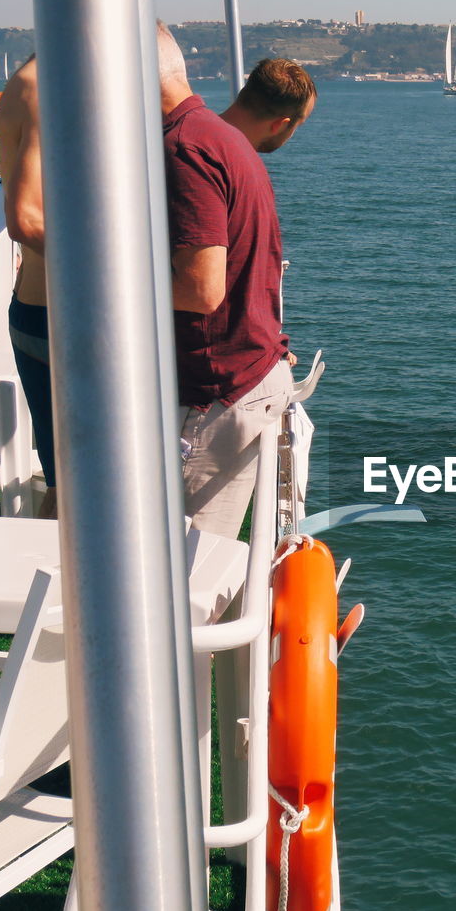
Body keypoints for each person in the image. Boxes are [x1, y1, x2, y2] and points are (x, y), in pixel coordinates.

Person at [159, 28, 316, 538]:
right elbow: (250, 272)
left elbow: (203, 289)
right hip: (247, 376)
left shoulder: (189, 146)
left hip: (216, 391)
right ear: (282, 123)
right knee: (203, 567)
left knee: (184, 567)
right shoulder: (232, 149)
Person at [0, 56, 59, 517]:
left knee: (71, 482)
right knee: (78, 486)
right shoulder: (43, 88)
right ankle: (57, 587)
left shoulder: (35, 81)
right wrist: (118, 277)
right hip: (56, 317)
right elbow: (27, 218)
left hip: (42, 308)